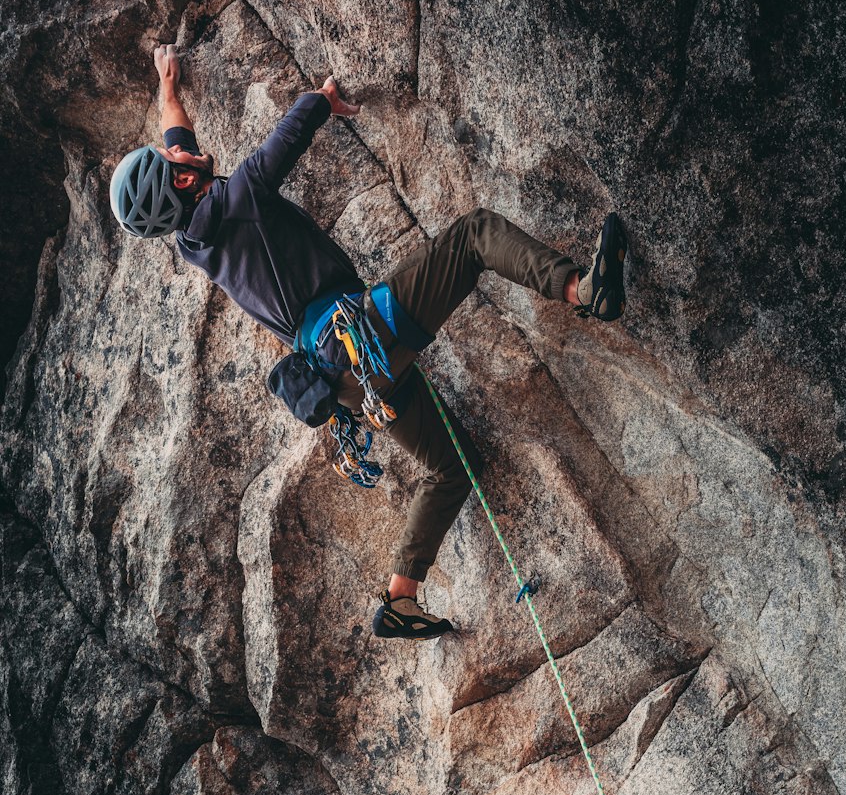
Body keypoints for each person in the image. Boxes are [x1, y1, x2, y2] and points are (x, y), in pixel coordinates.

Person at [110, 45, 628, 640]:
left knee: (453, 468)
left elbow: (179, 145)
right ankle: (583, 292)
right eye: (173, 156)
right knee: (473, 236)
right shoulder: (238, 197)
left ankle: (400, 598)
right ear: (180, 177)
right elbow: (281, 145)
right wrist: (322, 100)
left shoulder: (193, 240)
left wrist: (169, 87)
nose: (180, 147)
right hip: (362, 338)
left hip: (348, 384)